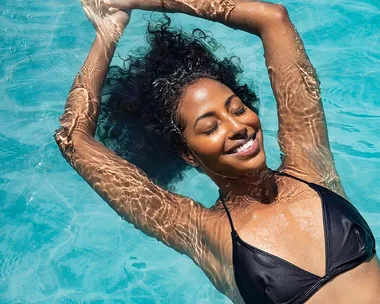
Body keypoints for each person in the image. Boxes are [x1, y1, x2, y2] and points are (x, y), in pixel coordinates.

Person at [55, 0, 380, 303]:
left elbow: (274, 19)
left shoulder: (310, 165)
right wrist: (108, 30)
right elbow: (73, 139)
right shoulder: (204, 230)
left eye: (237, 109)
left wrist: (138, 1)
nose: (237, 127)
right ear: (187, 153)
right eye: (210, 127)